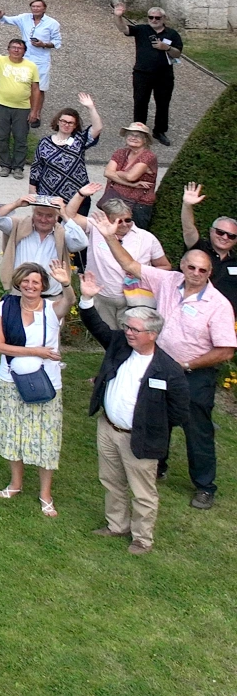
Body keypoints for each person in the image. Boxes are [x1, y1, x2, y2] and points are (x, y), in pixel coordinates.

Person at [91, 211, 235, 510]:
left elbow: (226, 350)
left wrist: (188, 365)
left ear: (210, 273)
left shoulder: (218, 305)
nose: (196, 273)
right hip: (160, 368)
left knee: (197, 429)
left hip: (193, 374)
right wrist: (108, 236)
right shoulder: (168, 281)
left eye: (203, 270)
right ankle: (160, 466)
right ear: (182, 266)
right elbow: (130, 264)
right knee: (157, 420)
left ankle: (205, 486)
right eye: (191, 267)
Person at [78, 270, 189, 554]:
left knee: (142, 492)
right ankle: (117, 524)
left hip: (140, 438)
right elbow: (97, 327)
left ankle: (142, 538)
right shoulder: (119, 345)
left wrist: (151, 427)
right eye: (127, 327)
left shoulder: (169, 371)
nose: (128, 332)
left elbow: (178, 412)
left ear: (152, 334)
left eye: (134, 329)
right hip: (109, 428)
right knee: (110, 480)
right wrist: (88, 298)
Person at [0, 262, 66, 517]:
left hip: (45, 384)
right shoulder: (6, 306)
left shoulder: (53, 309)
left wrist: (66, 283)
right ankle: (16, 484)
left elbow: (70, 299)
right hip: (11, 380)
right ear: (18, 282)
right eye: (25, 280)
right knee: (13, 432)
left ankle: (46, 494)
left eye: (35, 282)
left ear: (43, 285)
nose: (30, 285)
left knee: (46, 438)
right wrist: (35, 351)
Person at [0, 190, 90, 319]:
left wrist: (65, 214)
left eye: (49, 216)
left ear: (56, 217)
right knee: (14, 336)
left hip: (51, 299)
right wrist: (16, 204)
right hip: (20, 296)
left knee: (48, 338)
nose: (43, 219)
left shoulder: (62, 233)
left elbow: (81, 243)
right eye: (39, 214)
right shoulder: (19, 226)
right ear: (33, 214)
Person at [75, 197, 171, 328]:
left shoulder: (147, 238)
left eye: (128, 220)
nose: (125, 224)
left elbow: (165, 266)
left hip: (134, 299)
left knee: (131, 339)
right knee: (105, 338)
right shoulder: (96, 227)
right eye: (119, 221)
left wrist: (142, 273)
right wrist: (81, 194)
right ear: (108, 219)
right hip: (102, 296)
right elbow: (70, 215)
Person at [0, 30, 42, 177]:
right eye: (13, 47)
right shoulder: (0, 60)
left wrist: (34, 111)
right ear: (8, 49)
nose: (16, 50)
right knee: (2, 136)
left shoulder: (31, 66)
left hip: (22, 108)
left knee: (21, 138)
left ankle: (18, 167)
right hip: (1, 105)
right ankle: (5, 165)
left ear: (24, 51)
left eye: (20, 48)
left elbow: (36, 90)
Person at [115, 1, 180, 146]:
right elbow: (124, 29)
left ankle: (159, 131)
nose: (154, 20)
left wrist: (166, 47)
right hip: (142, 73)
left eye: (157, 18)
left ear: (163, 19)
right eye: (151, 17)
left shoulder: (172, 33)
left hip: (164, 75)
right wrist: (118, 16)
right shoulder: (142, 30)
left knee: (163, 103)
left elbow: (177, 53)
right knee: (140, 102)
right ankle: (139, 130)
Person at [27, 93, 103, 206]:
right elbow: (36, 167)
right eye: (63, 121)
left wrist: (91, 107)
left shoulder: (79, 140)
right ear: (58, 121)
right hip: (50, 195)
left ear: (75, 125)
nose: (66, 125)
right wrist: (32, 189)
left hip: (77, 197)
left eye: (70, 122)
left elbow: (98, 128)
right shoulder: (44, 142)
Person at [179, 182, 237, 307]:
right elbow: (188, 229)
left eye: (231, 235)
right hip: (193, 311)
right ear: (211, 231)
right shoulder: (199, 248)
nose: (225, 237)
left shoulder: (235, 261)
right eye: (220, 232)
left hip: (225, 319)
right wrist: (187, 205)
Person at [100, 122, 158, 229]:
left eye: (138, 136)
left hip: (137, 205)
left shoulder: (148, 156)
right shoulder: (120, 152)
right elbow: (107, 173)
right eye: (130, 134)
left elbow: (131, 177)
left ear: (145, 140)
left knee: (133, 238)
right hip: (114, 202)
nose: (133, 138)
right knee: (109, 233)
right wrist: (132, 185)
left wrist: (117, 173)